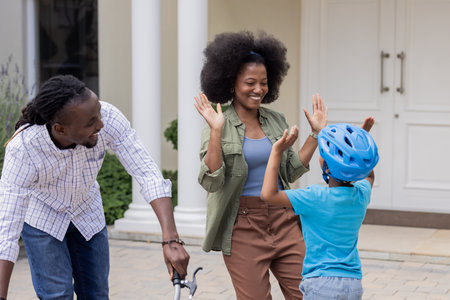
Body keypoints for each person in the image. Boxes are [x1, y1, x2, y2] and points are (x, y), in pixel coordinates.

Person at [0, 75, 189, 300]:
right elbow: (6, 231)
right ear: (60, 129)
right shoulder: (23, 149)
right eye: (90, 123)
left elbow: (146, 172)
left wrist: (171, 239)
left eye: (98, 114)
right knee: (57, 295)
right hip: (42, 218)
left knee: (96, 294)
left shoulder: (106, 117)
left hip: (87, 212)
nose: (100, 123)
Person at [194, 31, 328, 300]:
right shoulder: (218, 122)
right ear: (232, 82)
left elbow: (290, 171)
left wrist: (315, 136)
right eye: (250, 82)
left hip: (283, 218)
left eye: (264, 83)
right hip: (242, 226)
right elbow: (212, 180)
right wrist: (216, 133)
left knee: (308, 294)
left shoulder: (275, 119)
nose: (258, 89)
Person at [260, 119, 379, 299]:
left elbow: (269, 195)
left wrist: (276, 151)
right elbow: (368, 174)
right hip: (353, 283)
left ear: (326, 167)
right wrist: (359, 143)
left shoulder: (314, 197)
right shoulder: (360, 196)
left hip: (321, 282)